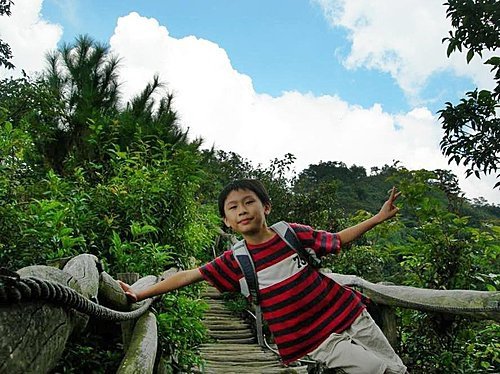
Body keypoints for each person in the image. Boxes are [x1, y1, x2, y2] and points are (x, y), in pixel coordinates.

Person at [119, 179, 407, 374]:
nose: (242, 210)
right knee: (375, 370)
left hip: (348, 313)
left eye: (248, 202)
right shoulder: (236, 260)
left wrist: (377, 218)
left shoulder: (290, 233)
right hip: (312, 340)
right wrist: (140, 293)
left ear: (265, 207)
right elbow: (187, 276)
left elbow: (337, 239)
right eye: (233, 207)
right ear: (227, 222)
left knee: (396, 368)